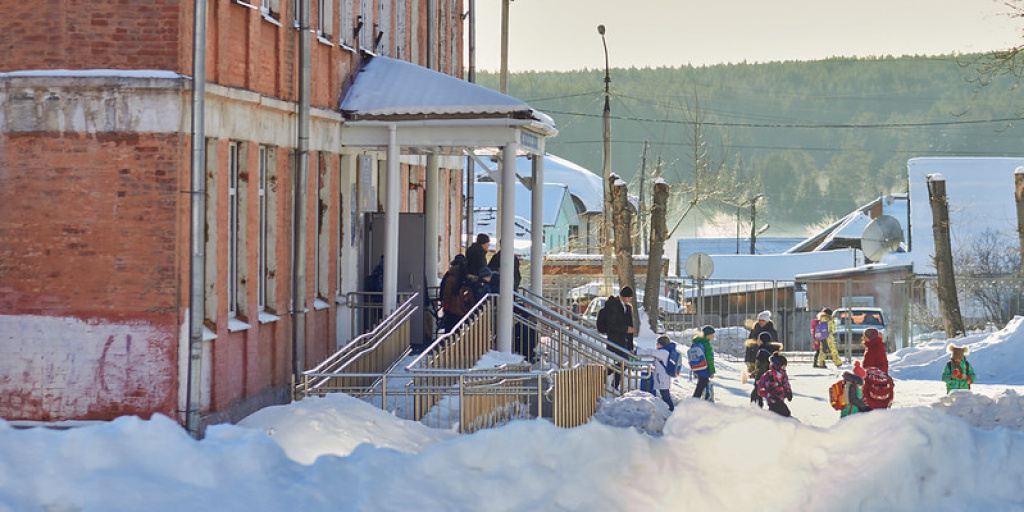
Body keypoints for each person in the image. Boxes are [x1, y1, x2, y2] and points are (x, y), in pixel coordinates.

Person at [596, 286, 635, 390]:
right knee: (623, 362)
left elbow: (630, 327)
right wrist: (625, 329)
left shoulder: (627, 308)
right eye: (628, 297)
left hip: (624, 340)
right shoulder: (614, 306)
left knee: (623, 363)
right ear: (623, 296)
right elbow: (611, 325)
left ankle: (614, 383)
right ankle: (609, 379)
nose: (629, 300)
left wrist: (630, 345)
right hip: (615, 339)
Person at [635, 335, 676, 411]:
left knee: (665, 395)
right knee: (665, 395)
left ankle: (671, 409)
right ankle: (669, 409)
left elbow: (651, 352)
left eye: (658, 343)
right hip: (663, 377)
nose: (656, 345)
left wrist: (637, 352)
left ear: (661, 344)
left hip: (662, 378)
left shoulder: (663, 352)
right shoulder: (666, 351)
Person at [438, 256, 471, 333]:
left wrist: (444, 301)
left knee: (450, 326)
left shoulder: (450, 277)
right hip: (462, 306)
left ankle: (449, 342)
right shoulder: (465, 277)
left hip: (452, 306)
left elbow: (446, 292)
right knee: (458, 327)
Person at [750, 331, 783, 407]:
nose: (757, 340)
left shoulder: (761, 352)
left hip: (762, 376)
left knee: (756, 392)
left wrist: (757, 377)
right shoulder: (771, 350)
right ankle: (774, 406)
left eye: (758, 339)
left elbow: (760, 366)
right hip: (771, 375)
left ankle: (754, 407)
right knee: (770, 392)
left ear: (761, 341)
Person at [758, 353, 793, 417]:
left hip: (780, 398)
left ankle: (775, 423)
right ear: (778, 365)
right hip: (772, 399)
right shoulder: (769, 375)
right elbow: (761, 387)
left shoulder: (783, 374)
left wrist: (788, 392)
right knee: (783, 413)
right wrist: (767, 394)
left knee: (784, 413)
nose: (784, 368)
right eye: (783, 366)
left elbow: (786, 383)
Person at [746, 311, 778, 376]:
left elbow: (775, 345)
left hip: (766, 358)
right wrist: (748, 358)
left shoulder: (772, 331)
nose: (760, 322)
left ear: (767, 321)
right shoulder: (755, 330)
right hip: (754, 356)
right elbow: (749, 344)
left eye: (763, 320)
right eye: (759, 320)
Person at [691, 325, 716, 400]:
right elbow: (709, 359)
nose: (713, 336)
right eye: (712, 335)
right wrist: (712, 371)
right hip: (705, 368)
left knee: (702, 384)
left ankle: (699, 401)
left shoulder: (698, 342)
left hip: (698, 367)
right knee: (701, 386)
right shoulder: (706, 344)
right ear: (708, 335)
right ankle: (694, 401)